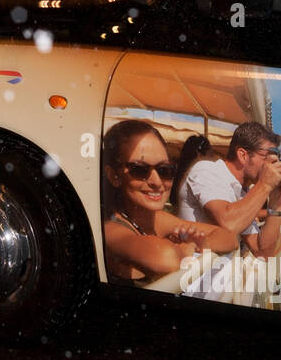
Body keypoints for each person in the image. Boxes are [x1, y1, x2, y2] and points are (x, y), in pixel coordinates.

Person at [102, 120, 237, 285]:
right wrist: (186, 248)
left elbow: (229, 238)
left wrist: (203, 243)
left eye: (164, 170)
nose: (157, 182)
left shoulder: (157, 218)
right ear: (114, 176)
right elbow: (166, 258)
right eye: (139, 169)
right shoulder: (109, 229)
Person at [175, 121, 281, 259]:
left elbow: (262, 252)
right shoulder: (207, 170)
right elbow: (229, 224)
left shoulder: (242, 192)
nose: (273, 163)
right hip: (195, 277)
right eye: (268, 156)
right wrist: (265, 185)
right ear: (243, 155)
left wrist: (275, 205)